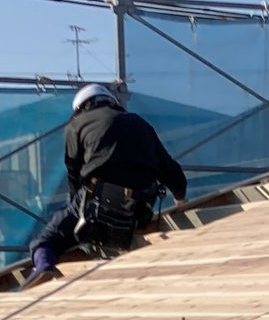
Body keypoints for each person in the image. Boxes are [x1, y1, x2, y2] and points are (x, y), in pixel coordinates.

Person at [23, 83, 189, 282]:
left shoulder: (77, 125)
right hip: (139, 209)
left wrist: (75, 211)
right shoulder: (140, 123)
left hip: (99, 201)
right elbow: (169, 168)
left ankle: (43, 265)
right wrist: (180, 199)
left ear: (80, 108)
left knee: (47, 238)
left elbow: (74, 176)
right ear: (112, 101)